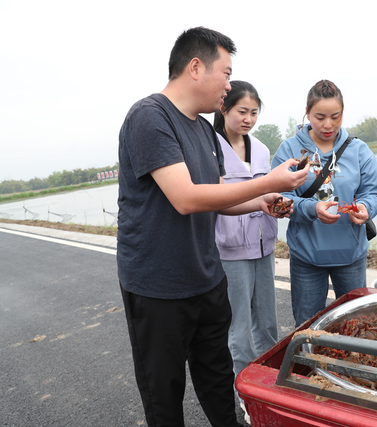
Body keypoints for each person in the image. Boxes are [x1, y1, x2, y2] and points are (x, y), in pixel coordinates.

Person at [117, 27, 308, 427]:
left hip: (206, 278)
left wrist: (261, 201)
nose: (229, 84)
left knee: (219, 382)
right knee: (164, 393)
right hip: (158, 287)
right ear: (196, 67)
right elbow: (186, 197)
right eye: (226, 72)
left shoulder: (204, 128)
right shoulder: (149, 117)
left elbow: (219, 192)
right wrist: (270, 181)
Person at [271, 80, 377, 327]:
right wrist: (311, 209)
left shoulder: (358, 150)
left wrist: (365, 208)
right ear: (307, 112)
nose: (328, 124)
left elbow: (374, 192)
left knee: (357, 325)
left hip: (351, 256)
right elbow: (278, 199)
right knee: (308, 327)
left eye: (335, 116)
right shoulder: (290, 149)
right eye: (319, 116)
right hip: (307, 258)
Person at [213, 81, 278, 398]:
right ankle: (245, 395)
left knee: (268, 325)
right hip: (231, 250)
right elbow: (216, 199)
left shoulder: (263, 149)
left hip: (264, 245)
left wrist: (279, 201)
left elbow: (266, 192)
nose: (249, 118)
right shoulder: (210, 147)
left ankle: (272, 388)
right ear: (223, 108)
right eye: (242, 111)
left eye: (254, 112)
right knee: (239, 331)